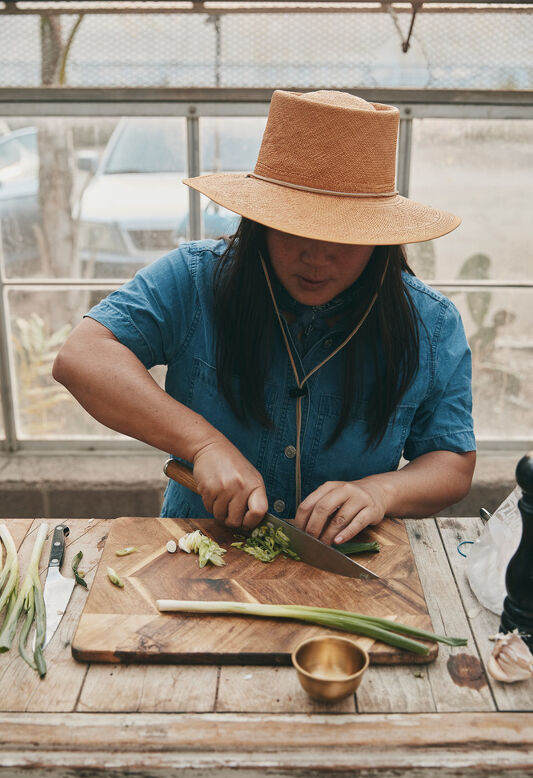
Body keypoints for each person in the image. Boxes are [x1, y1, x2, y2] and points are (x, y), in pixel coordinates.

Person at [53, 90, 476, 545]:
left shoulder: (431, 323)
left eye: (346, 236)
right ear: (260, 221)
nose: (317, 256)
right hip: (199, 551)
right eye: (294, 228)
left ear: (382, 238)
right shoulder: (195, 278)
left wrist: (381, 490)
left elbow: (451, 460)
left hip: (348, 559)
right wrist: (204, 445)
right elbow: (83, 356)